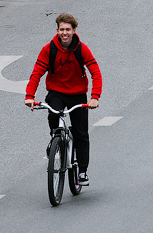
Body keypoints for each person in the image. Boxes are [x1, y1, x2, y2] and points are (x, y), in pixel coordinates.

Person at [25, 13, 102, 186]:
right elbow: (36, 73)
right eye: (62, 30)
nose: (64, 33)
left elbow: (95, 72)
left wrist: (94, 97)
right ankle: (55, 140)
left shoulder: (82, 49)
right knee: (53, 114)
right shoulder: (49, 49)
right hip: (57, 92)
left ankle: (82, 172)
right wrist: (29, 96)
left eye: (68, 29)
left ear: (74, 31)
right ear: (57, 30)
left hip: (77, 94)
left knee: (81, 133)